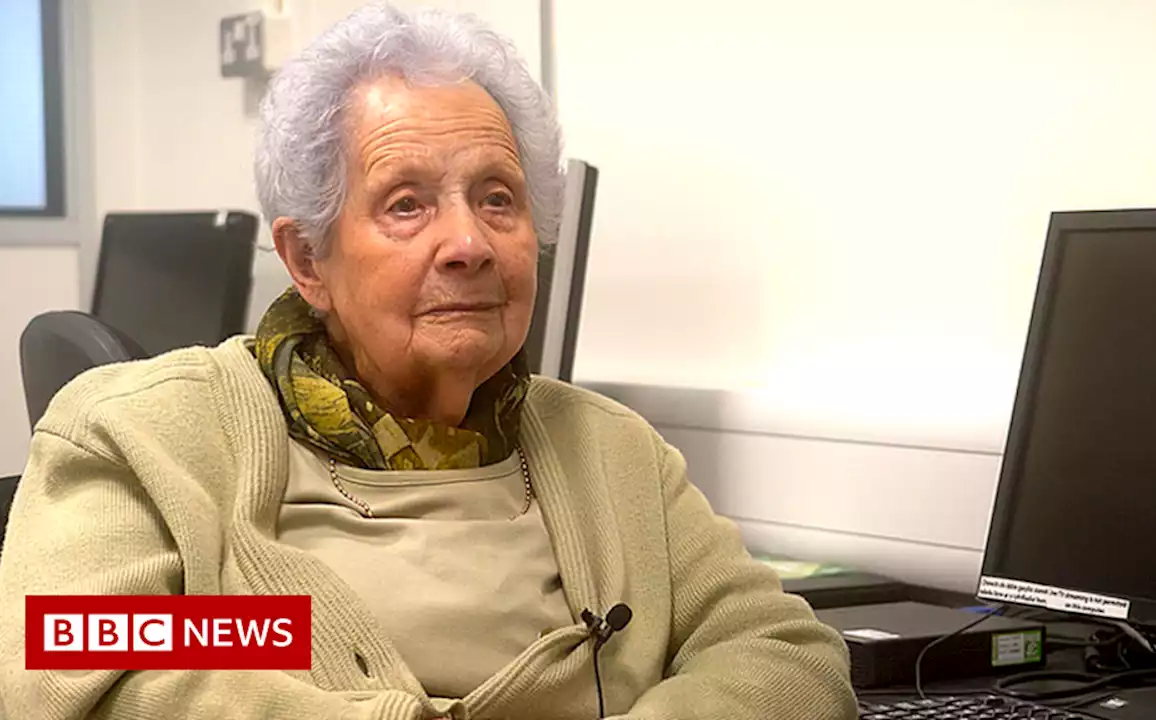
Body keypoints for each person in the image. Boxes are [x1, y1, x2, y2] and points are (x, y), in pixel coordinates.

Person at [0, 4, 856, 718]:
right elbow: (71, 669)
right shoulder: (145, 434)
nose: (470, 244)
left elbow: (788, 654)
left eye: (498, 198)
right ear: (308, 261)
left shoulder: (611, 452)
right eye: (406, 204)